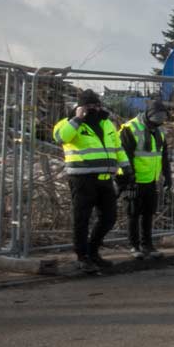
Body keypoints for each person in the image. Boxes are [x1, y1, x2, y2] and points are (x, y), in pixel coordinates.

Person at [52, 89, 125, 274]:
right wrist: (77, 119)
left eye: (96, 105)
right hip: (82, 179)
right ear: (80, 106)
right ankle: (82, 256)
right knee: (81, 219)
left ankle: (93, 251)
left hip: (105, 179)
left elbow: (117, 147)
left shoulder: (106, 122)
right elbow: (61, 137)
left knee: (109, 218)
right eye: (88, 105)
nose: (93, 108)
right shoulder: (67, 123)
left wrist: (126, 169)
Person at [116, 101, 174, 258]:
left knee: (148, 213)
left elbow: (163, 157)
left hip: (150, 180)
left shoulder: (158, 132)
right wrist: (128, 180)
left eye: (162, 117)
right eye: (157, 117)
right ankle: (134, 246)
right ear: (148, 115)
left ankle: (147, 245)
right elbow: (123, 156)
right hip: (134, 180)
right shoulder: (130, 129)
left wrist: (168, 177)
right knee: (133, 214)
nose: (160, 120)